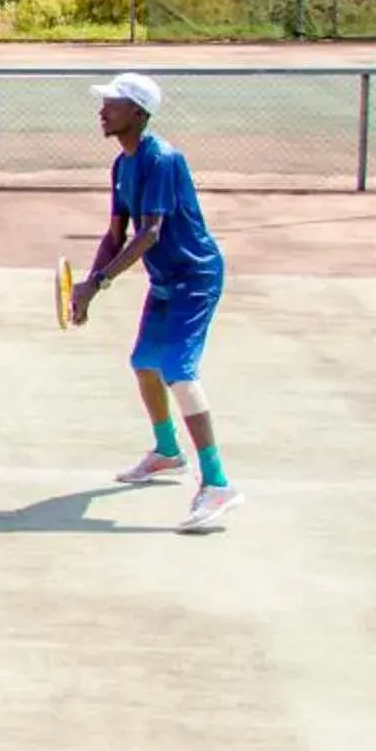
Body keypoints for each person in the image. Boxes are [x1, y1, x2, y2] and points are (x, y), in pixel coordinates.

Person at [68, 72, 239, 532]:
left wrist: (99, 282)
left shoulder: (161, 159)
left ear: (138, 113)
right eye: (103, 102)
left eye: (113, 103)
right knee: (145, 363)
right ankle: (167, 452)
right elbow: (115, 234)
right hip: (165, 280)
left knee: (179, 373)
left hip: (195, 278)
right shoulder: (121, 167)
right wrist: (87, 285)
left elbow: (150, 233)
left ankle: (217, 483)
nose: (102, 110)